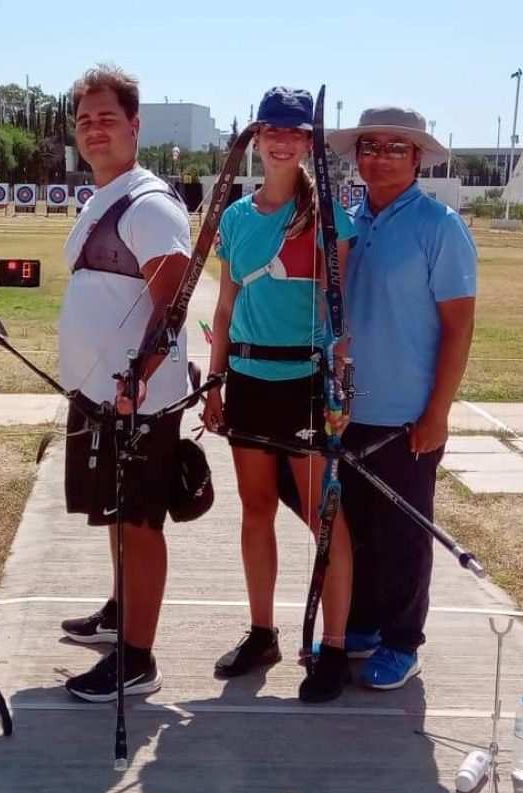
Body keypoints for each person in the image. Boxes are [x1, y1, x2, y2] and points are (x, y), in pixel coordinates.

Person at [199, 87, 357, 703]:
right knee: (256, 508)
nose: (283, 141)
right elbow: (227, 301)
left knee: (326, 520)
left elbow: (339, 310)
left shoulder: (328, 218)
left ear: (309, 142)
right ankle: (262, 630)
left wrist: (339, 385)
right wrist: (214, 382)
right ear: (257, 139)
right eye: (272, 131)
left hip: (304, 385)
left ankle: (335, 646)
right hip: (247, 379)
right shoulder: (237, 217)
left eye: (296, 132)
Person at [54, 64, 197, 702]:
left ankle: (138, 659)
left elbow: (172, 306)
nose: (94, 130)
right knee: (116, 513)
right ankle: (121, 610)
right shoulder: (103, 198)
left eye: (107, 118)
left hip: (136, 397)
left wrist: (137, 378)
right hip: (100, 394)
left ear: (134, 126)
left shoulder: (150, 205)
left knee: (140, 521)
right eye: (85, 120)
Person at [326, 107, 477, 691]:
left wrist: (437, 411)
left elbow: (459, 326)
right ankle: (360, 625)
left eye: (396, 147)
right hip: (346, 410)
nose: (381, 156)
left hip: (407, 415)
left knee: (403, 533)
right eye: (371, 145)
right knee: (352, 528)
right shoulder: (347, 222)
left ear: (417, 158)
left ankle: (401, 639)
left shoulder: (439, 226)